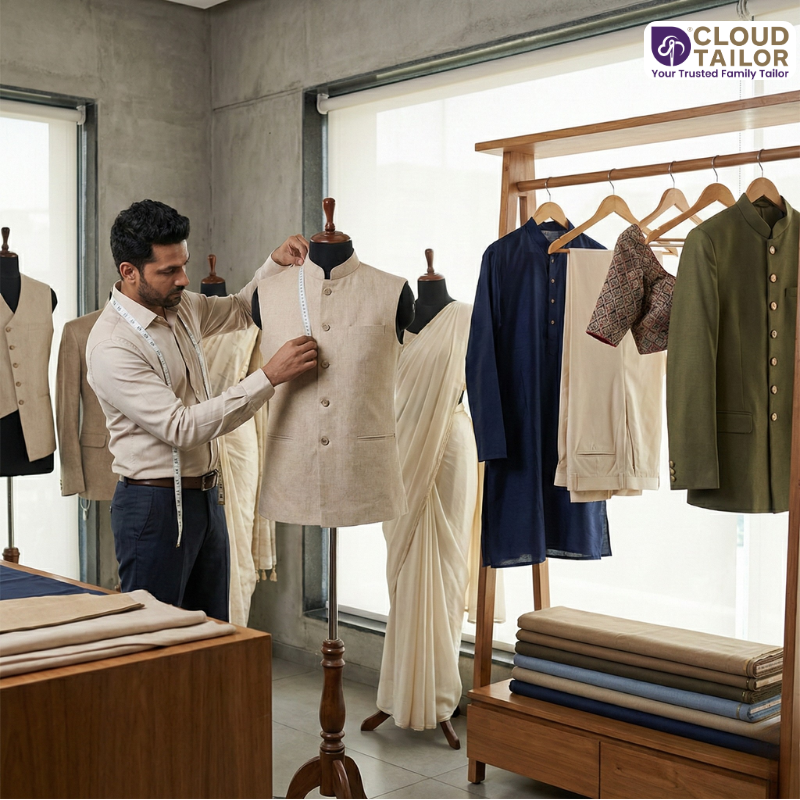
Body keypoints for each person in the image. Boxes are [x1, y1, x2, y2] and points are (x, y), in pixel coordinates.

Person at [87, 199, 317, 621]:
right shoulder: (112, 345)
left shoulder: (182, 307)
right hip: (153, 509)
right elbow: (180, 427)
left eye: (184, 264)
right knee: (156, 648)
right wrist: (269, 376)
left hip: (208, 499)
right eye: (169, 271)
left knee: (211, 638)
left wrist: (274, 264)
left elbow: (241, 309)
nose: (184, 278)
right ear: (129, 272)